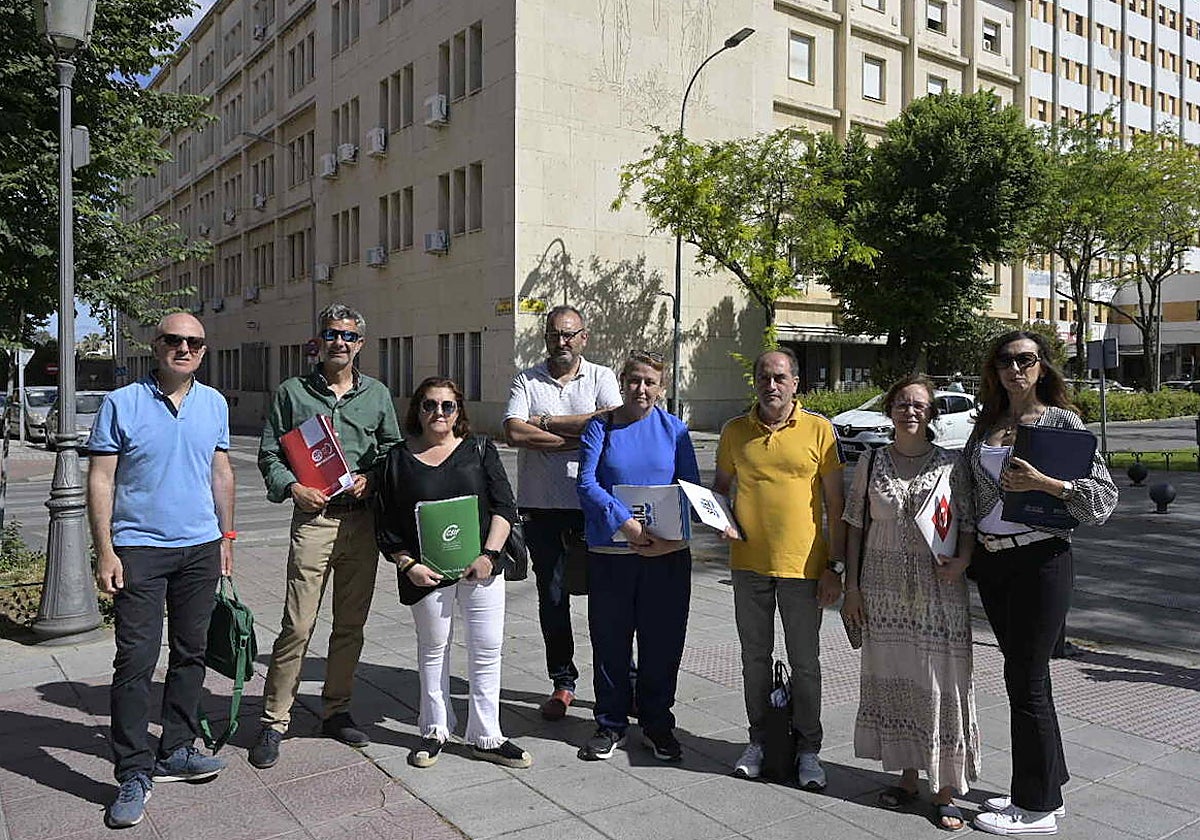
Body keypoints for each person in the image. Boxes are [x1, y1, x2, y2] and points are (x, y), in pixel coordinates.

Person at [964, 331, 1117, 836]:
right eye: (1006, 360)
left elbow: (1103, 500)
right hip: (993, 565)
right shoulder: (987, 421)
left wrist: (1047, 485)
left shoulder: (1061, 422)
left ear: (1043, 367)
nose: (1016, 369)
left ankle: (1036, 806)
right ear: (995, 370)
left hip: (1041, 562)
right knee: (1026, 679)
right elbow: (967, 489)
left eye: (1026, 359)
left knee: (1026, 682)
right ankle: (1048, 781)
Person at [88, 312, 234, 828]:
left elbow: (220, 472)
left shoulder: (213, 403)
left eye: (194, 342)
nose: (184, 348)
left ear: (203, 349)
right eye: (174, 340)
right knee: (135, 660)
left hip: (200, 548)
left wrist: (226, 538)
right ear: (156, 346)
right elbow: (101, 479)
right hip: (139, 550)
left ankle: (176, 748)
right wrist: (104, 549)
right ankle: (132, 770)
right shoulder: (121, 403)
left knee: (192, 653)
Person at [251, 303, 402, 768]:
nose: (340, 342)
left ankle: (336, 710)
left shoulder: (376, 395)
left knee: (350, 625)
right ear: (320, 340)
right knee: (297, 625)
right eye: (333, 334)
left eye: (349, 336)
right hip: (315, 521)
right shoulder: (293, 393)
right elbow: (269, 454)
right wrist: (293, 487)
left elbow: (392, 451)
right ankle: (274, 721)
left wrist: (371, 480)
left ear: (361, 344)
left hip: (360, 521)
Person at [841, 375, 978, 832]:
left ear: (932, 413)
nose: (910, 411)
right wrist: (852, 588)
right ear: (890, 410)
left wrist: (962, 562)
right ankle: (906, 777)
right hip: (881, 591)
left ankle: (945, 789)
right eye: (901, 403)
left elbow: (970, 525)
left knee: (940, 683)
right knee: (896, 677)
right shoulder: (872, 460)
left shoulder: (951, 465)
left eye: (919, 404)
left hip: (938, 592)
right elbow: (854, 525)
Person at [375, 377, 532, 769]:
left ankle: (486, 735)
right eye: (429, 405)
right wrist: (408, 564)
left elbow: (504, 507)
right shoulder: (397, 459)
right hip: (426, 573)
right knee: (432, 650)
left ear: (459, 410)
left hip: (480, 569)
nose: (438, 413)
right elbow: (386, 523)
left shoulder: (479, 450)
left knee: (486, 649)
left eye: (447, 406)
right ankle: (434, 729)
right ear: (417, 410)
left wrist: (489, 555)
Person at [713, 347, 847, 790]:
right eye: (764, 377)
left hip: (803, 567)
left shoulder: (819, 430)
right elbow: (721, 488)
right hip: (747, 564)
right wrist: (720, 519)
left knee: (805, 663)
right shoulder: (735, 431)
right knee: (754, 659)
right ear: (755, 382)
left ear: (795, 384)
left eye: (780, 378)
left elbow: (836, 504)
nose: (771, 385)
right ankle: (759, 740)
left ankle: (809, 749)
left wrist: (836, 567)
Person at [575, 352, 700, 762]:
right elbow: (588, 483)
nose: (641, 389)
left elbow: (691, 489)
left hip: (665, 556)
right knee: (610, 641)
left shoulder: (676, 430)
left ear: (661, 387)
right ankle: (610, 723)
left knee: (661, 643)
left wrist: (672, 540)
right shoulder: (601, 425)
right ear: (621, 381)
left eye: (650, 382)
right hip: (611, 552)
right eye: (634, 381)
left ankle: (656, 723)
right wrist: (624, 521)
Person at [504, 305, 621, 719]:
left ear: (584, 337)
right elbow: (515, 431)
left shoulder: (602, 377)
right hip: (540, 507)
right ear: (546, 337)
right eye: (555, 334)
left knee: (607, 599)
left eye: (570, 334)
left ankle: (622, 681)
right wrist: (579, 440)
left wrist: (549, 421)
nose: (562, 342)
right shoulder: (526, 378)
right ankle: (563, 683)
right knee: (552, 597)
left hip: (592, 508)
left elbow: (610, 422)